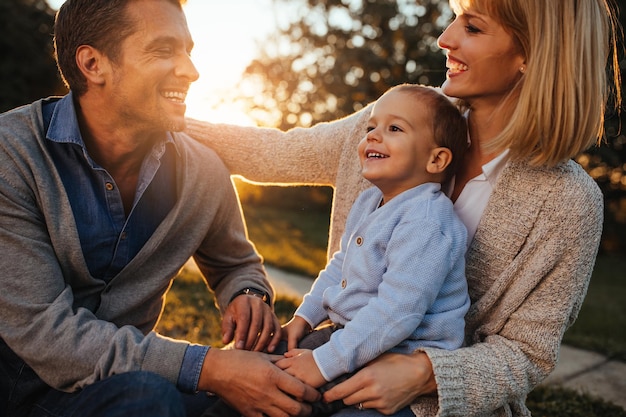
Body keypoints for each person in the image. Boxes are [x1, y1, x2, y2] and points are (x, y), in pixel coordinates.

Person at [185, 0, 622, 415]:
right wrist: (160, 117)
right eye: (455, 19)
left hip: (430, 406)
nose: (445, 39)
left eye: (471, 26)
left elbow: (526, 354)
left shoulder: (569, 203)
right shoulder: (402, 116)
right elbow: (277, 152)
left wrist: (425, 374)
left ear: (531, 54)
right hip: (335, 353)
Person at [0, 1, 320, 417]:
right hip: (21, 388)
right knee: (149, 401)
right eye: (163, 50)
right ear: (93, 63)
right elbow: (48, 336)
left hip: (129, 382)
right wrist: (209, 368)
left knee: (297, 359)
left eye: (188, 50)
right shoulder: (13, 155)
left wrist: (246, 294)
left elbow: (236, 262)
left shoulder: (202, 170)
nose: (190, 70)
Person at [206, 84, 471, 417]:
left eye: (394, 129)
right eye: (371, 127)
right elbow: (340, 266)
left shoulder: (428, 221)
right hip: (351, 338)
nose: (373, 136)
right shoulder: (370, 201)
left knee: (286, 394)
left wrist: (321, 363)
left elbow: (396, 312)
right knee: (268, 364)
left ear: (436, 159)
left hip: (397, 357)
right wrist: (305, 317)